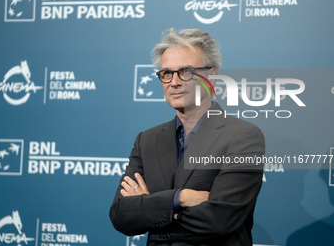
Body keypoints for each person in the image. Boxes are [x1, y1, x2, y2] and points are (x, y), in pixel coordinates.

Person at [109, 28, 265, 246]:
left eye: (186, 72)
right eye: (166, 73)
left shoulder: (243, 136)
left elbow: (218, 219)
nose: (174, 82)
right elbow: (121, 215)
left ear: (211, 76)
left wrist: (150, 206)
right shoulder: (147, 140)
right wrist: (180, 198)